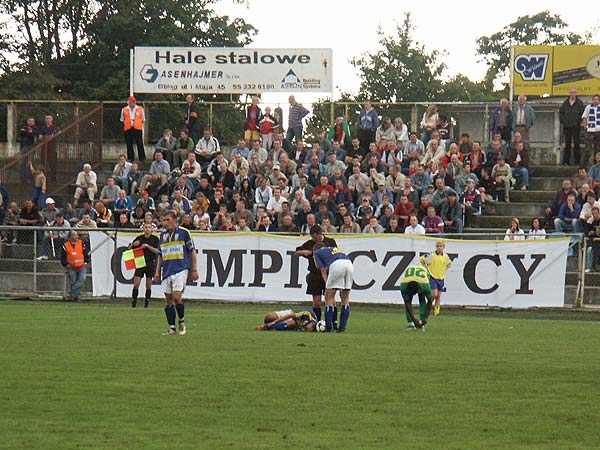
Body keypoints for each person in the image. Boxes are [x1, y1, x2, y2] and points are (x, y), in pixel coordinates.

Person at [153, 211, 198, 335]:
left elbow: (193, 251)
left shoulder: (184, 233)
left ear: (175, 220)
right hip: (167, 271)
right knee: (169, 300)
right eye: (164, 220)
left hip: (181, 269)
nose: (165, 223)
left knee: (177, 296)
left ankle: (182, 322)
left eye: (168, 220)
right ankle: (172, 328)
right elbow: (160, 255)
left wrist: (194, 269)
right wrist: (157, 272)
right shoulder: (162, 236)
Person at [294, 225, 338, 322]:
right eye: (312, 237)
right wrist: (306, 252)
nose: (314, 239)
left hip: (328, 273)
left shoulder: (330, 242)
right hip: (315, 274)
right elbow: (296, 252)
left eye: (315, 237)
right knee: (317, 301)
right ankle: (317, 322)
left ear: (320, 234)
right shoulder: (310, 244)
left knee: (331, 299)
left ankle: (333, 322)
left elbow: (336, 254)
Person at [313, 243, 353, 332]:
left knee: (329, 296)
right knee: (345, 298)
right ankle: (342, 328)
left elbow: (323, 270)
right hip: (349, 263)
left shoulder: (317, 252)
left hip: (336, 265)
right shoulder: (333, 249)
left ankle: (329, 327)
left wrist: (327, 285)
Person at [129, 223, 159, 308]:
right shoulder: (139, 238)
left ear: (152, 229)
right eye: (146, 227)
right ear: (143, 229)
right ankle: (134, 303)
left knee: (148, 284)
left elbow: (157, 251)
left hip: (150, 262)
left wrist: (147, 246)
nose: (147, 229)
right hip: (140, 262)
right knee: (136, 283)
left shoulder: (155, 239)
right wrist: (133, 244)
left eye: (149, 227)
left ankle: (146, 304)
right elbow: (129, 248)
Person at [420, 241, 452, 316]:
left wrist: (444, 270)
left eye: (440, 246)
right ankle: (428, 305)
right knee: (434, 294)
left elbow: (449, 264)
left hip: (441, 277)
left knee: (438, 296)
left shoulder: (445, 256)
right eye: (437, 246)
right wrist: (426, 268)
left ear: (443, 247)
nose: (439, 247)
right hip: (432, 277)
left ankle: (436, 312)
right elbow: (421, 259)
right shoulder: (431, 254)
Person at [400, 263, 434, 331]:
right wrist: (414, 319)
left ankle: (422, 322)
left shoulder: (425, 285)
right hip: (410, 274)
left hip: (424, 273)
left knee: (422, 296)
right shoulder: (403, 286)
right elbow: (407, 302)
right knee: (408, 299)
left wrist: (426, 318)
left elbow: (430, 300)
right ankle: (410, 323)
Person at [60, 230, 90, 302]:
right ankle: (77, 297)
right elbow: (62, 257)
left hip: (81, 266)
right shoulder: (65, 245)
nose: (76, 236)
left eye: (76, 235)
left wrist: (86, 261)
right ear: (70, 236)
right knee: (73, 282)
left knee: (82, 280)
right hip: (71, 267)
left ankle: (71, 294)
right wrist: (66, 264)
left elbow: (86, 253)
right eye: (74, 235)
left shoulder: (81, 243)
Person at [560, 88, 585, 166]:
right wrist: (564, 122)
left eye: (574, 92)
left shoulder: (579, 103)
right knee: (567, 144)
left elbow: (582, 114)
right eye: (571, 92)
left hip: (576, 127)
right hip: (567, 127)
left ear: (576, 93)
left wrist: (577, 122)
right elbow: (561, 114)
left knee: (577, 144)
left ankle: (577, 161)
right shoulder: (565, 103)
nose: (572, 94)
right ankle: (566, 161)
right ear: (569, 93)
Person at [120, 96, 145, 162]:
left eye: (133, 102)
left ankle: (142, 158)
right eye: (130, 103)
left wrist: (136, 123)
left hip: (137, 128)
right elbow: (122, 119)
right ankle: (131, 158)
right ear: (128, 102)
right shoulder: (124, 109)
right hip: (128, 128)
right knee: (129, 144)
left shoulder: (140, 109)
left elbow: (143, 119)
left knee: (139, 143)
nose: (132, 104)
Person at [19, 117, 39, 181]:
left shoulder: (35, 128)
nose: (31, 122)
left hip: (32, 147)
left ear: (34, 122)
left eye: (32, 121)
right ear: (27, 122)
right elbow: (22, 133)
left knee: (29, 162)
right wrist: (29, 132)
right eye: (30, 121)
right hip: (24, 146)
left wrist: (30, 132)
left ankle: (30, 178)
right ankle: (23, 178)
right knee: (22, 162)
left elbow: (34, 135)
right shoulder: (24, 127)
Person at [582, 94, 600, 165]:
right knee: (588, 149)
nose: (595, 101)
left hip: (599, 130)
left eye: (597, 99)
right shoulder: (588, 107)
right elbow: (584, 117)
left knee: (598, 149)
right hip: (590, 130)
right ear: (592, 100)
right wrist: (585, 127)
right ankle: (584, 165)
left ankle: (597, 163)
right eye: (594, 99)